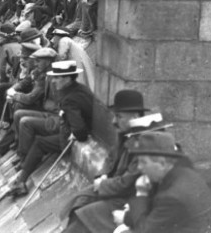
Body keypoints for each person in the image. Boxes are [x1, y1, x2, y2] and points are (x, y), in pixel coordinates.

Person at [61, 90, 154, 233]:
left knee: (85, 218)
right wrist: (103, 176)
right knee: (78, 202)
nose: (113, 121)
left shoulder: (145, 143)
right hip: (114, 189)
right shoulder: (124, 134)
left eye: (118, 116)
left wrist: (103, 184)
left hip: (129, 200)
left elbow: (127, 184)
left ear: (134, 116)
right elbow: (110, 160)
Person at [7, 60, 94, 197]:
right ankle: (21, 177)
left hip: (69, 136)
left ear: (67, 78)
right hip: (74, 127)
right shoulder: (79, 88)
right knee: (35, 134)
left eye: (57, 78)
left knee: (39, 143)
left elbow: (80, 130)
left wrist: (75, 133)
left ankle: (21, 181)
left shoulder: (69, 98)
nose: (54, 81)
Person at [113, 132, 211, 233]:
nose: (139, 167)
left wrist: (141, 193)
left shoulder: (172, 196)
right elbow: (154, 215)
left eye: (143, 162)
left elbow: (144, 230)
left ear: (162, 163)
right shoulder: (183, 174)